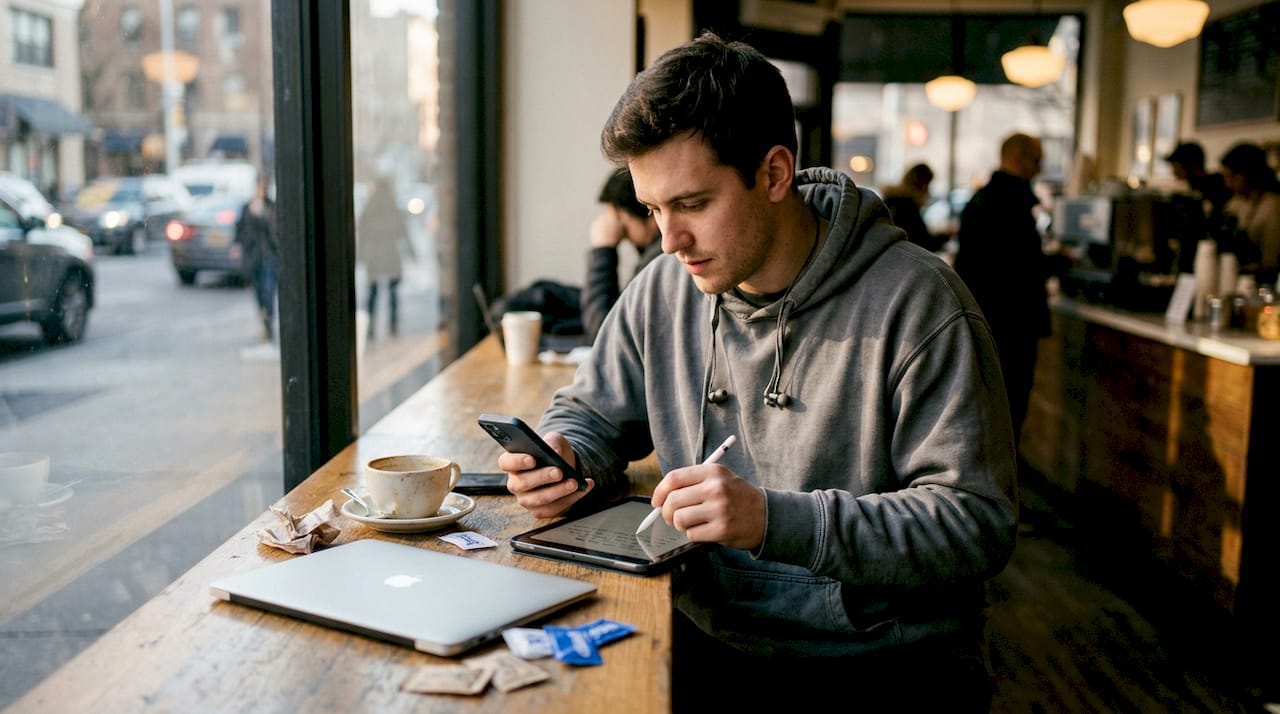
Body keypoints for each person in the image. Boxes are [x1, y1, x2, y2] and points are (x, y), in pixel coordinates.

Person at [498, 31, 1017, 711]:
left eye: (691, 205)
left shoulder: (922, 306)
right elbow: (589, 414)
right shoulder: (663, 290)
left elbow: (975, 524)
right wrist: (566, 456)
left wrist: (775, 520)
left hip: (883, 665)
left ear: (774, 174)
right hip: (709, 639)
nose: (669, 240)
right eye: (654, 210)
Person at [953, 132, 1051, 451]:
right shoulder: (1014, 205)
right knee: (1008, 414)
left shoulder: (979, 201)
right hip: (1013, 326)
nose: (1039, 168)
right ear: (1021, 159)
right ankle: (1002, 495)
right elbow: (1024, 267)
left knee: (985, 414)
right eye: (1037, 160)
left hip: (983, 322)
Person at [580, 168, 662, 341]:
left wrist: (603, 249)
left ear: (649, 214)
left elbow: (604, 333)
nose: (622, 234)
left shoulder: (662, 257)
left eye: (620, 221)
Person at [357, 175, 414, 338]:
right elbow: (403, 232)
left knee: (374, 292)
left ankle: (373, 327)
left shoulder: (371, 208)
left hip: (377, 254)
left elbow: (363, 233)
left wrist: (361, 255)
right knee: (390, 292)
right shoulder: (391, 207)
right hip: (388, 253)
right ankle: (392, 325)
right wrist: (411, 252)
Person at [1219, 142, 1280, 285]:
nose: (1227, 184)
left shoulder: (1272, 206)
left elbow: (1271, 262)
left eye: (1231, 177)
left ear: (1248, 175)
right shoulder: (1236, 202)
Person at [234, 176, 278, 342]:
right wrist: (237, 246)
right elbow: (240, 230)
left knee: (268, 291)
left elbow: (274, 231)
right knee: (259, 293)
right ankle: (264, 320)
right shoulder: (248, 207)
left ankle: (269, 322)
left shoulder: (271, 207)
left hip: (269, 255)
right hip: (254, 257)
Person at [880, 162, 948, 253]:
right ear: (922, 185)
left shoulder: (891, 200)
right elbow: (922, 243)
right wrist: (945, 235)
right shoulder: (907, 206)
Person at [1164, 141, 1232, 225]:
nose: (1174, 172)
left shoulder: (1218, 187)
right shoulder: (1197, 188)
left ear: (1193, 167)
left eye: (1177, 167)